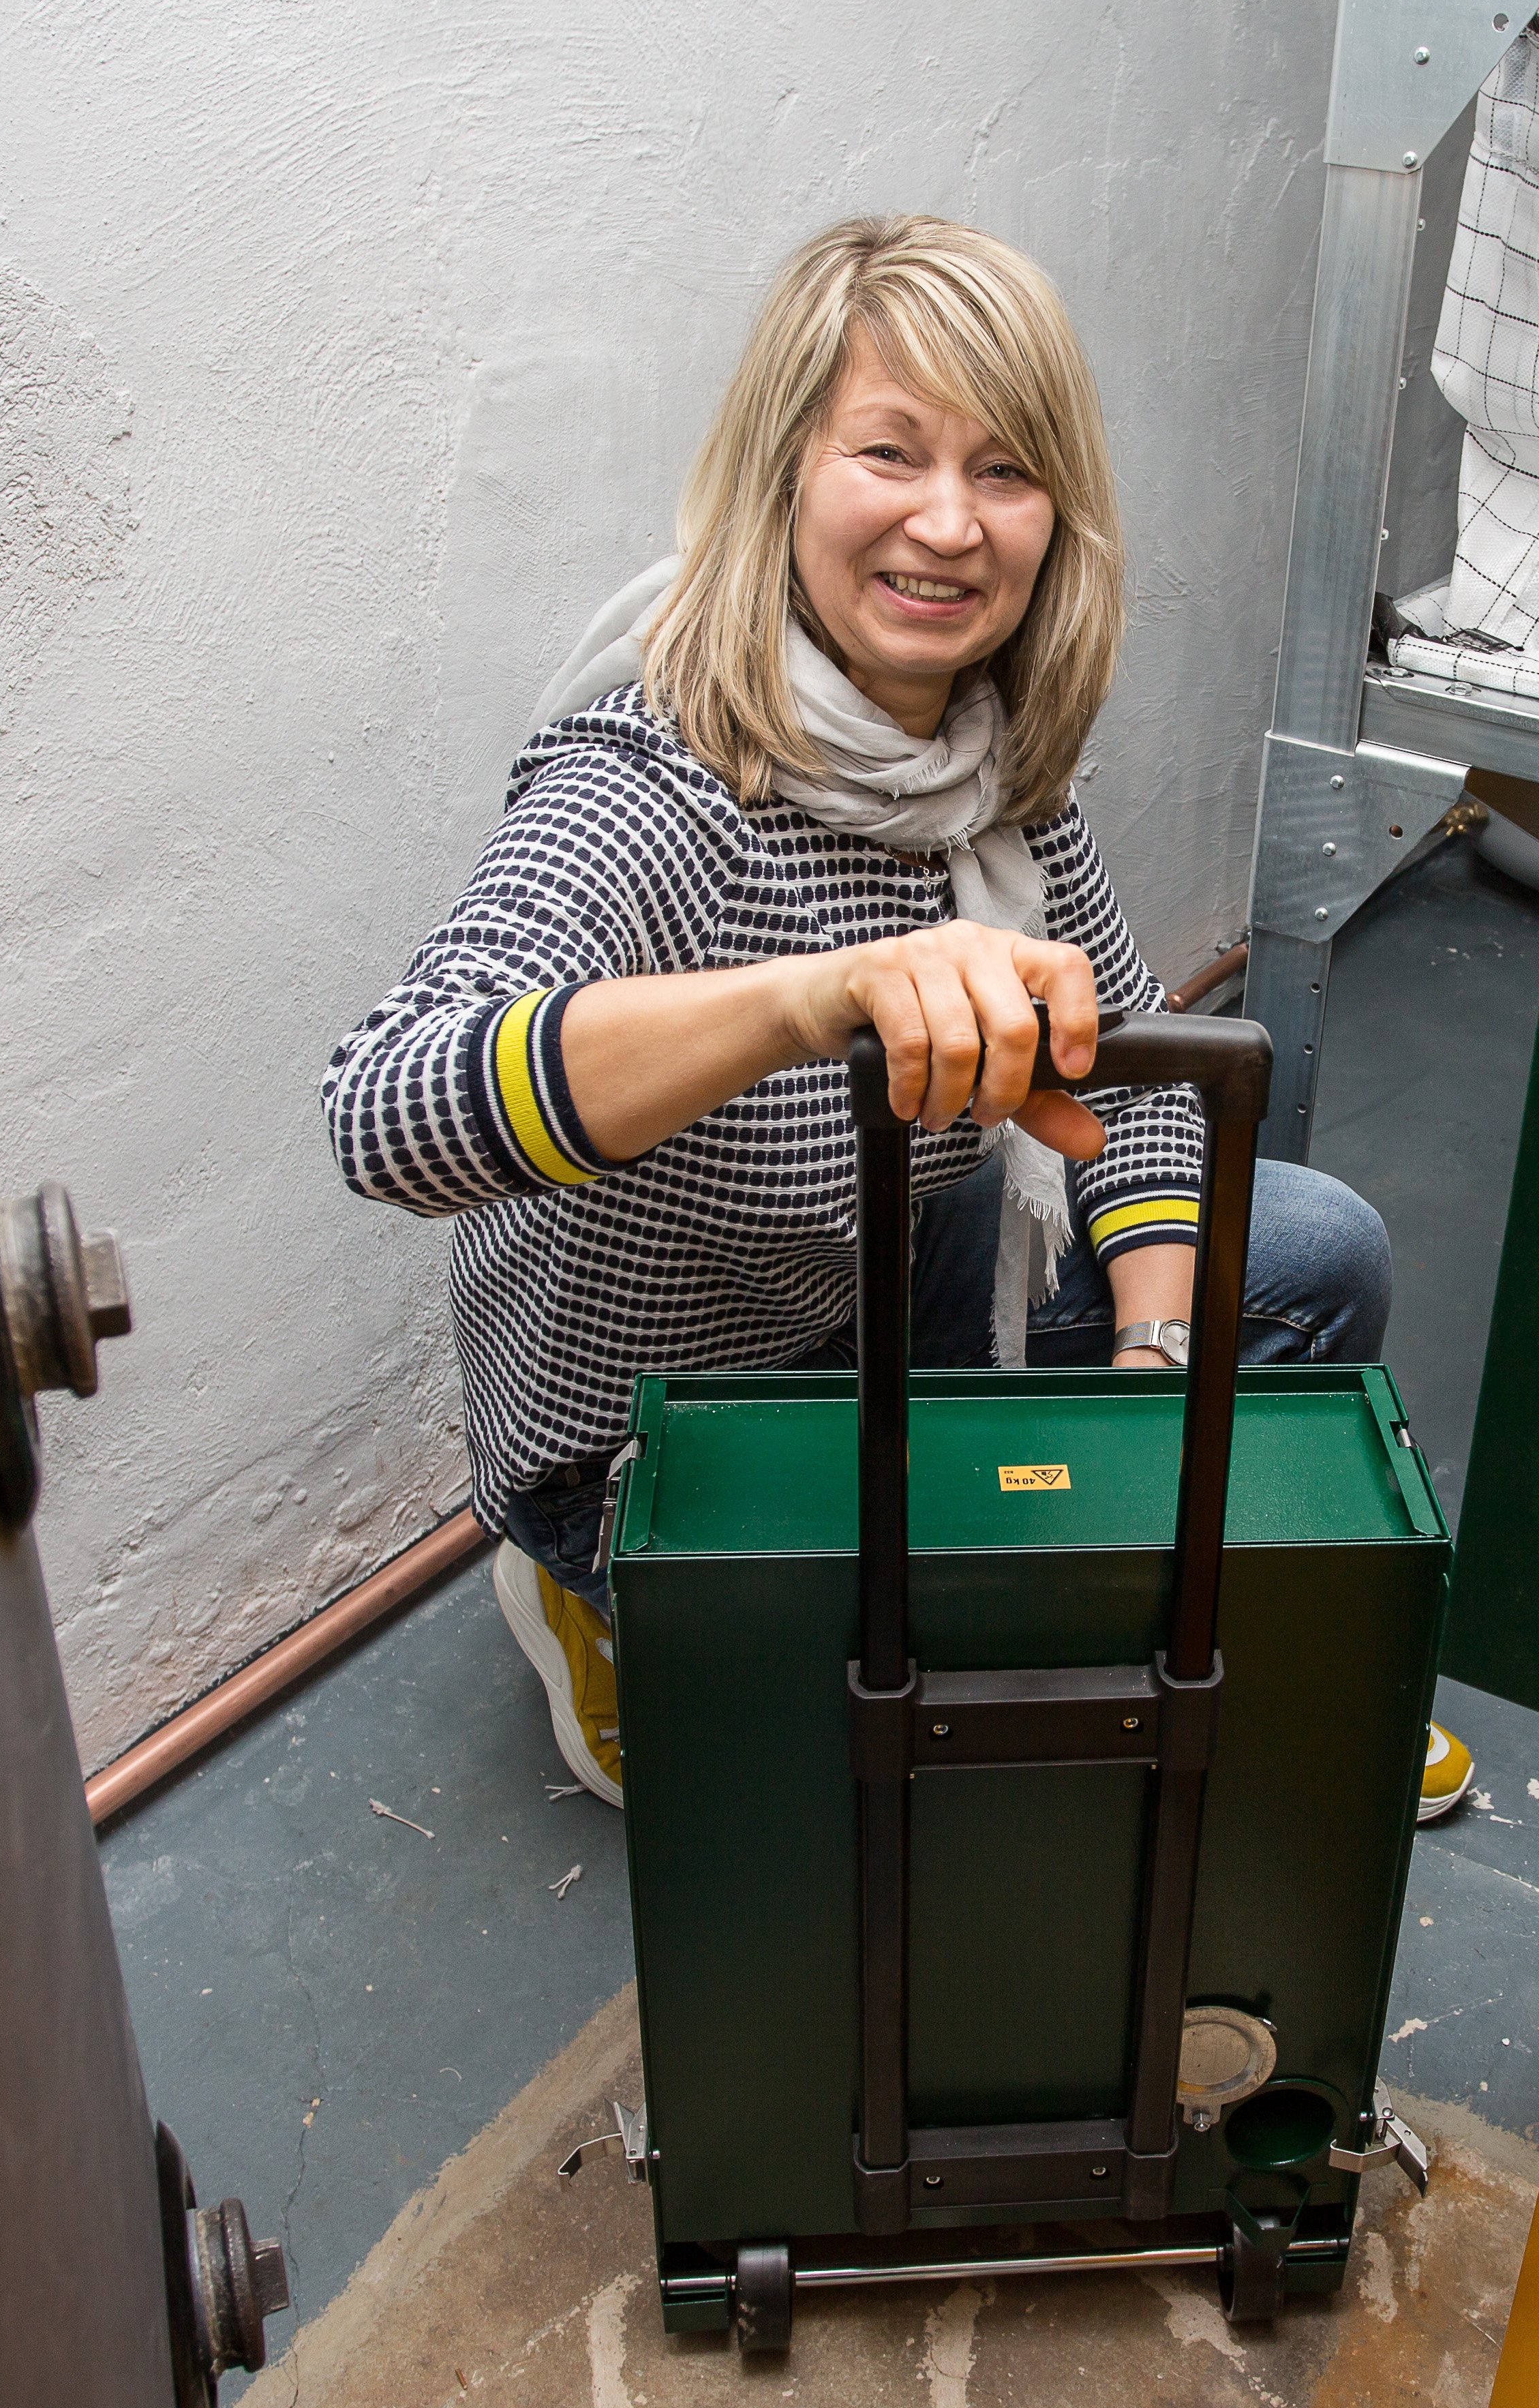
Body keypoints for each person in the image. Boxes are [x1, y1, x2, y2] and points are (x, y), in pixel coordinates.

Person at [322, 213, 1474, 1822]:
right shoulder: (656, 787)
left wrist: (1152, 1371)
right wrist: (808, 1000)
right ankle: (594, 1597)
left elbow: (1125, 1076)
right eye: (891, 452)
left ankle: (1139, 1609)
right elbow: (382, 1112)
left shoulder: (989, 766)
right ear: (786, 468)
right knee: (885, 1784)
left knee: (1314, 1252)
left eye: (1005, 471)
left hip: (901, 1303)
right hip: (669, 1419)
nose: (949, 524)